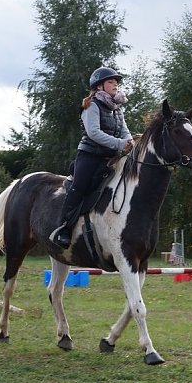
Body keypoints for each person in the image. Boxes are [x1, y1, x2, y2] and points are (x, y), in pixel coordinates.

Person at [51, 66, 134, 248]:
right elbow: (94, 133)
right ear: (99, 87)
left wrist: (129, 141)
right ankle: (63, 229)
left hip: (110, 158)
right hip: (89, 156)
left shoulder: (117, 108)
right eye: (111, 82)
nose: (115, 85)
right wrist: (120, 144)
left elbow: (124, 130)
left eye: (116, 82)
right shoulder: (92, 105)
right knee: (79, 187)